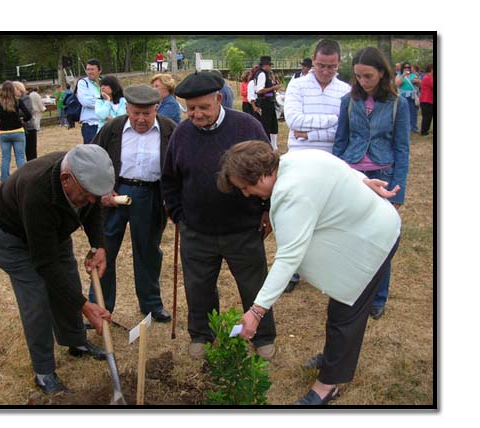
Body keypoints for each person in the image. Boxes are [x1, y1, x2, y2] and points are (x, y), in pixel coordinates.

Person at [220, 140, 401, 405]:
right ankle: (332, 358)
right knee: (339, 309)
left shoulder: (292, 192)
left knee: (345, 316)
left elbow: (288, 258)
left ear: (260, 175)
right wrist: (363, 181)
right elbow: (340, 167)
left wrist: (257, 311)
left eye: (246, 187)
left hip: (374, 241)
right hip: (362, 232)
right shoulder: (296, 159)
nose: (246, 194)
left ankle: (328, 385)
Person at [161, 71, 277, 361]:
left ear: (219, 99)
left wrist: (266, 211)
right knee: (198, 288)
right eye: (191, 108)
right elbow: (170, 179)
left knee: (255, 286)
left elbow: (272, 173)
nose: (196, 114)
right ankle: (201, 334)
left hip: (243, 229)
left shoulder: (248, 126)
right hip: (196, 231)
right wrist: (179, 216)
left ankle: (262, 336)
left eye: (203, 107)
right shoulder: (181, 133)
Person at [0, 144, 115, 395]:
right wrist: (85, 306)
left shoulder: (82, 179)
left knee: (68, 280)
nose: (91, 199)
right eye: (87, 193)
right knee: (36, 300)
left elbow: (91, 207)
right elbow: (44, 263)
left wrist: (99, 245)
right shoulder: (37, 191)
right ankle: (44, 372)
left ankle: (76, 342)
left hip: (51, 230)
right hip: (13, 235)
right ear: (66, 180)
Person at [333, 46, 410, 320]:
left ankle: (378, 296)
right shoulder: (348, 101)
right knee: (348, 236)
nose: (363, 82)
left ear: (382, 73)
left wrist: (399, 191)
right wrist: (337, 175)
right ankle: (350, 291)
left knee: (380, 238)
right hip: (354, 176)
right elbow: (340, 141)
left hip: (385, 175)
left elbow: (402, 148)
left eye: (368, 76)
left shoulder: (398, 104)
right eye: (358, 77)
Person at [89, 84, 176, 322]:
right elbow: (92, 159)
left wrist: (173, 198)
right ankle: (98, 306)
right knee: (104, 249)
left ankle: (151, 304)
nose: (140, 119)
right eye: (135, 112)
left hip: (150, 195)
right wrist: (103, 190)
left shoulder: (169, 130)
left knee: (147, 251)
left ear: (156, 109)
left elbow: (179, 165)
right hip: (114, 194)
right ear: (126, 107)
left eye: (146, 114)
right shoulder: (112, 129)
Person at [282, 39, 351, 292]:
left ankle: (322, 272)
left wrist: (309, 134)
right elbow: (293, 120)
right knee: (295, 218)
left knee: (327, 221)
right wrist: (332, 120)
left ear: (339, 63)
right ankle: (292, 271)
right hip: (299, 162)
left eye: (331, 67)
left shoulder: (345, 90)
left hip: (331, 162)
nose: (325, 71)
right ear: (313, 60)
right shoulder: (297, 85)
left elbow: (342, 130)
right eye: (321, 65)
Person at [0, 81, 32, 183]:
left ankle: (4, 179)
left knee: (5, 157)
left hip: (4, 132)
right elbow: (28, 114)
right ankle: (22, 179)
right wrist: (23, 120)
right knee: (20, 157)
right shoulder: (17, 101)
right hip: (17, 131)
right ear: (13, 90)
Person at [253, 56, 281, 149]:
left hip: (269, 101)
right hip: (265, 102)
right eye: (269, 65)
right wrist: (273, 88)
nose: (270, 67)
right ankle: (266, 145)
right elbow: (259, 90)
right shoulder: (261, 74)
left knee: (273, 124)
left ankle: (273, 145)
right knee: (266, 125)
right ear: (265, 65)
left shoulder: (265, 74)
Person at [77, 59, 103, 145]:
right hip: (90, 125)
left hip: (105, 123)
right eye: (88, 69)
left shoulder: (105, 82)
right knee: (90, 154)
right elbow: (86, 101)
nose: (89, 72)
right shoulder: (83, 83)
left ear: (99, 71)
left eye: (92, 69)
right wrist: (106, 102)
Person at [394, 62, 420, 133]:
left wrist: (418, 81)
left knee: (413, 113)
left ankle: (413, 128)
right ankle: (403, 128)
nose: (407, 68)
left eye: (408, 67)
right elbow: (397, 84)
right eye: (405, 67)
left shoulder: (413, 75)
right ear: (402, 68)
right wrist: (403, 75)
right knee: (403, 113)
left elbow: (419, 85)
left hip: (412, 97)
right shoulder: (399, 75)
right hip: (403, 97)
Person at [420, 64, 434, 136]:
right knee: (427, 117)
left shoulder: (429, 77)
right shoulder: (428, 78)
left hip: (429, 100)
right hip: (426, 100)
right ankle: (424, 131)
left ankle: (426, 130)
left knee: (429, 116)